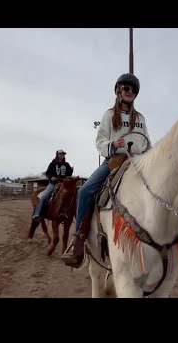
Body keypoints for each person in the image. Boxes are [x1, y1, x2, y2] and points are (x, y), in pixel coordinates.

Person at [61, 72, 152, 266]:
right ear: (118, 90)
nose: (130, 92)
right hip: (114, 161)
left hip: (138, 162)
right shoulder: (109, 115)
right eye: (126, 88)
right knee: (85, 191)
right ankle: (78, 241)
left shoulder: (141, 118)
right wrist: (112, 144)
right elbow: (100, 140)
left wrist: (150, 153)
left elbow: (146, 142)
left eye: (134, 90)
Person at [33, 149, 74, 221]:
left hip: (63, 183)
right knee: (44, 197)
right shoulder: (52, 164)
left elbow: (69, 174)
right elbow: (47, 173)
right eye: (61, 154)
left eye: (63, 154)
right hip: (54, 184)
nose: (62, 155)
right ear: (57, 155)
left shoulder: (67, 164)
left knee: (72, 195)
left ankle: (70, 213)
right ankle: (37, 214)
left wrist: (71, 172)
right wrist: (51, 177)